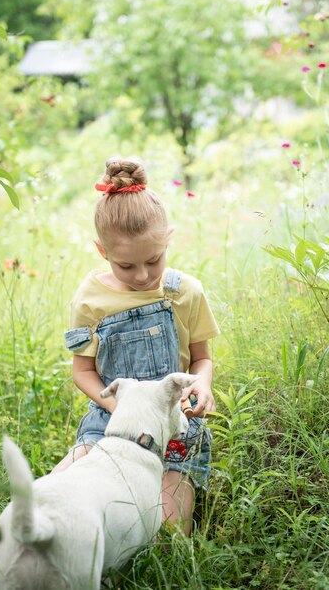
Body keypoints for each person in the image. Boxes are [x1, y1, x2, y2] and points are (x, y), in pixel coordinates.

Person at [53, 158, 219, 536]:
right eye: (126, 266)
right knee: (55, 497)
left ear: (168, 239)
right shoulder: (90, 299)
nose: (143, 275)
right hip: (111, 425)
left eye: (154, 260)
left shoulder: (185, 292)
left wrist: (202, 386)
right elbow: (83, 372)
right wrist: (114, 405)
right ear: (102, 251)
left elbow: (202, 358)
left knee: (169, 533)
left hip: (176, 427)